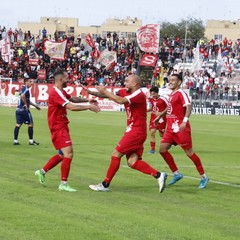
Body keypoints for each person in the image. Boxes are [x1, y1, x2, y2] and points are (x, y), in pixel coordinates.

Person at [82, 74, 167, 193]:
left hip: (136, 131)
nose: (125, 83)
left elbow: (120, 100)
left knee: (116, 154)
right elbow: (106, 96)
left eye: (127, 81)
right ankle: (158, 175)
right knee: (132, 162)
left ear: (135, 84)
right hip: (135, 130)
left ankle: (105, 184)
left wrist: (105, 90)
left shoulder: (139, 94)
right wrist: (92, 92)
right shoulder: (125, 91)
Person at [35, 69, 100, 192]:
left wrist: (88, 100)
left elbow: (73, 99)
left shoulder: (61, 91)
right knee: (68, 153)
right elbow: (70, 106)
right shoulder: (55, 93)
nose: (68, 80)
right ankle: (63, 184)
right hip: (58, 127)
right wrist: (89, 107)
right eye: (66, 78)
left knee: (62, 154)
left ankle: (41, 172)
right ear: (60, 79)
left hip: (62, 125)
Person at [157, 73, 209, 189]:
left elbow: (189, 106)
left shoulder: (181, 93)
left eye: (173, 80)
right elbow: (169, 107)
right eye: (170, 80)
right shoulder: (171, 94)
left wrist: (185, 121)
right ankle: (176, 173)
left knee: (189, 153)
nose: (170, 82)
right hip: (170, 129)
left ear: (179, 82)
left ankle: (204, 177)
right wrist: (161, 114)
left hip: (180, 128)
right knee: (162, 149)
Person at [13, 78, 41, 145]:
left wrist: (35, 106)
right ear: (26, 82)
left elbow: (27, 99)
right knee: (30, 124)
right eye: (30, 81)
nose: (31, 83)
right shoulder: (26, 89)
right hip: (24, 110)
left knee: (18, 125)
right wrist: (26, 104)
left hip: (18, 109)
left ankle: (15, 141)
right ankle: (31, 141)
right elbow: (23, 96)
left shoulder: (22, 89)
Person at [147, 86, 168, 154]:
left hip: (162, 119)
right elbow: (151, 108)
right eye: (151, 94)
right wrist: (145, 110)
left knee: (162, 135)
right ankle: (152, 149)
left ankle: (168, 142)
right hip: (153, 118)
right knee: (152, 132)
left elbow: (169, 107)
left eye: (154, 94)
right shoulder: (151, 99)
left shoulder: (163, 99)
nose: (152, 95)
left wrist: (161, 113)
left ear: (157, 93)